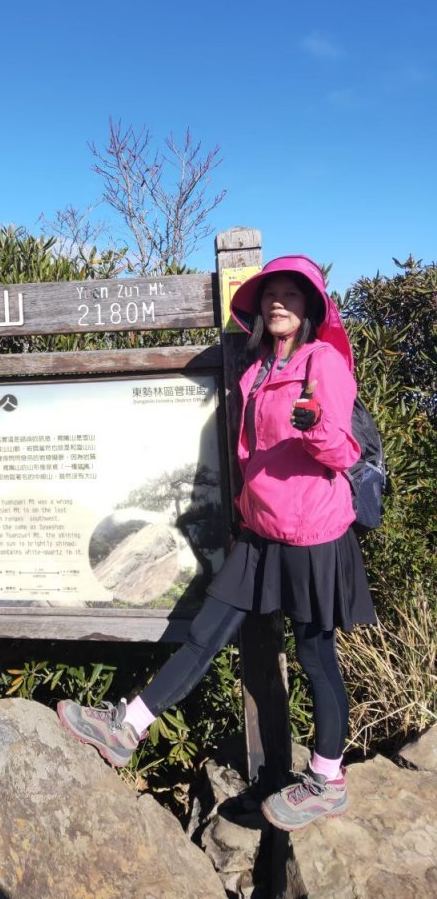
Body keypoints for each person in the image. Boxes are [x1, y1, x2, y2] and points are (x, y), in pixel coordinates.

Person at [57, 255, 376, 832]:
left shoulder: (322, 361)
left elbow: (343, 453)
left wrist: (315, 426)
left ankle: (328, 777)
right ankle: (126, 726)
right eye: (269, 295)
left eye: (291, 295)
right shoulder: (253, 371)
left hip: (311, 534)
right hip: (258, 534)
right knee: (204, 634)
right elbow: (251, 456)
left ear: (311, 307)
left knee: (314, 655)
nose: (278, 303)